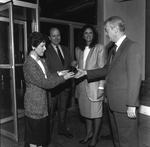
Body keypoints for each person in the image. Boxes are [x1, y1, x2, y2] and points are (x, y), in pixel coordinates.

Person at [75, 16, 143, 147]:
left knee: (128, 140)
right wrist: (86, 72)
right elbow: (106, 69)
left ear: (115, 29)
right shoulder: (113, 49)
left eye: (107, 30)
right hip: (113, 103)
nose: (105, 34)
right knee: (117, 139)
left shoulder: (132, 47)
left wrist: (131, 104)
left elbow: (135, 78)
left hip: (125, 105)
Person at [23, 32, 74, 147]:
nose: (45, 49)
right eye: (42, 46)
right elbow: (44, 83)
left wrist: (60, 73)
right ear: (33, 46)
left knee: (41, 139)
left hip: (44, 105)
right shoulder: (29, 64)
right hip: (34, 107)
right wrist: (63, 78)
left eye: (45, 45)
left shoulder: (41, 60)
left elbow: (48, 75)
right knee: (33, 140)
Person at [75, 24, 107, 147]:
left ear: (94, 35)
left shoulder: (100, 48)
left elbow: (102, 69)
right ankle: (88, 134)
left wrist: (101, 87)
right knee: (86, 112)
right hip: (82, 86)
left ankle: (95, 137)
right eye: (86, 33)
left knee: (96, 113)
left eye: (91, 33)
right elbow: (80, 68)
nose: (88, 35)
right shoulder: (78, 49)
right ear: (82, 35)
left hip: (95, 86)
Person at [44, 27, 74, 139]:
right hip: (53, 86)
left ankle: (62, 130)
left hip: (65, 86)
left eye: (58, 35)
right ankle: (47, 135)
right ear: (49, 38)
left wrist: (73, 63)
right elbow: (46, 69)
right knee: (50, 112)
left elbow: (70, 62)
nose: (56, 38)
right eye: (54, 36)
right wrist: (59, 74)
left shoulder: (65, 49)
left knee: (63, 110)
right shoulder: (45, 50)